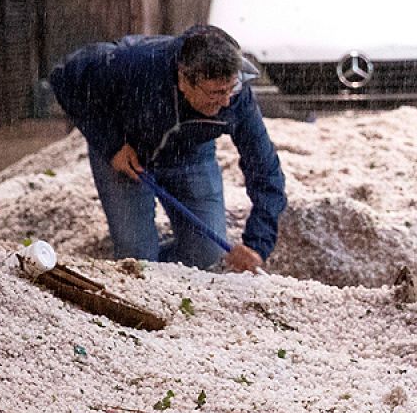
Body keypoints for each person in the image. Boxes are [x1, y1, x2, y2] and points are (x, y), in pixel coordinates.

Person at [49, 25, 287, 273]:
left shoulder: (237, 98)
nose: (226, 101)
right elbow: (63, 78)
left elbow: (265, 169)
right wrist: (111, 144)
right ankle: (139, 264)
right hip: (125, 153)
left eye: (231, 88)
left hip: (191, 155)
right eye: (216, 93)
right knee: (137, 260)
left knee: (207, 256)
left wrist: (258, 243)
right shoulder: (134, 63)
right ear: (184, 79)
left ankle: (164, 268)